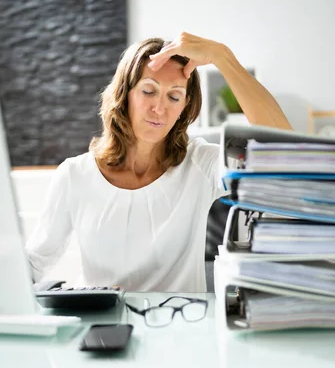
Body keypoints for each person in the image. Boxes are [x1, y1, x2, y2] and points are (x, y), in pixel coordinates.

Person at [25, 32, 291, 292]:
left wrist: (223, 57)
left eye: (174, 97)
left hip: (181, 327)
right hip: (103, 329)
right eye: (148, 91)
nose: (159, 108)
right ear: (124, 94)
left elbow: (283, 150)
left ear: (184, 108)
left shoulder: (202, 163)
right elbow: (35, 262)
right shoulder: (75, 175)